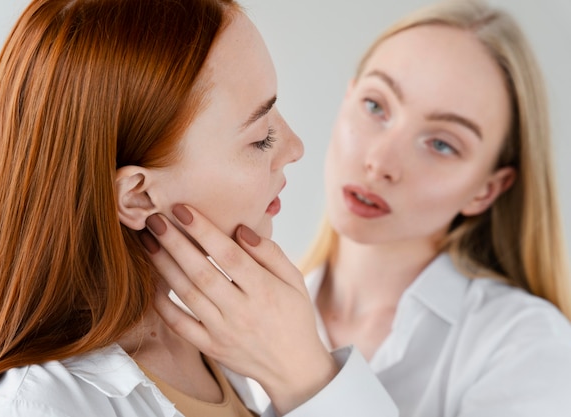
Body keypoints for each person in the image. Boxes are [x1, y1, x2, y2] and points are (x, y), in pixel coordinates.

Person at [146, 0, 571, 416]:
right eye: (375, 106)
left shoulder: (525, 344)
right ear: (348, 97)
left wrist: (306, 378)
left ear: (487, 188)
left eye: (441, 144)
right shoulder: (217, 313)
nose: (380, 162)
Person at [0, 0, 361, 416]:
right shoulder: (33, 409)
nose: (294, 147)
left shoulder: (215, 339)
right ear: (137, 196)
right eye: (260, 138)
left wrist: (305, 377)